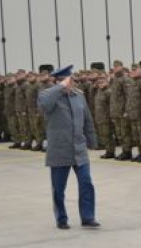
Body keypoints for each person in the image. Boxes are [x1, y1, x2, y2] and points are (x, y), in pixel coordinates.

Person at [37, 65, 99, 230]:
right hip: (59, 149)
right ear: (58, 82)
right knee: (58, 189)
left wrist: (92, 140)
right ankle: (61, 218)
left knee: (86, 183)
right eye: (66, 81)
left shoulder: (79, 96)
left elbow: (87, 119)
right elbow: (44, 104)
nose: (70, 83)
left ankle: (88, 217)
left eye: (70, 80)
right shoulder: (48, 95)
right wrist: (60, 87)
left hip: (79, 148)